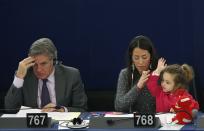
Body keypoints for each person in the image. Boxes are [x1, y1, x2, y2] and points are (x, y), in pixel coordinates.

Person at [5, 38, 87, 112]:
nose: (38, 69)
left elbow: (81, 109)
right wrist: (19, 78)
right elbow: (9, 109)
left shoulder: (71, 75)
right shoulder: (24, 75)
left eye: (43, 63)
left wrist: (62, 110)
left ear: (53, 61)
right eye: (35, 64)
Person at [115, 35, 159, 113]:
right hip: (132, 122)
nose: (140, 62)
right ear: (131, 57)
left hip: (157, 121)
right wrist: (138, 86)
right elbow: (119, 106)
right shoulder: (125, 74)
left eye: (144, 57)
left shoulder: (159, 72)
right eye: (136, 58)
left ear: (151, 56)